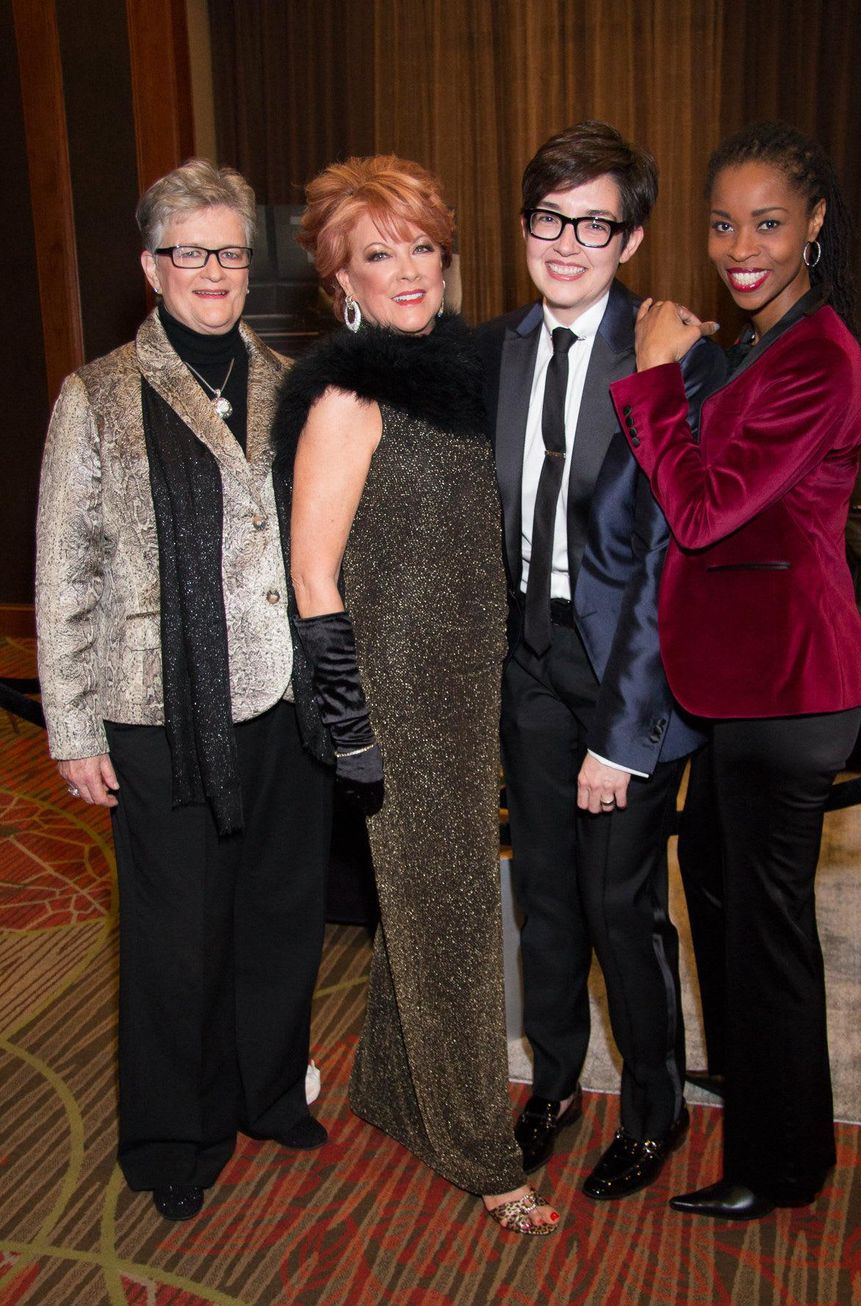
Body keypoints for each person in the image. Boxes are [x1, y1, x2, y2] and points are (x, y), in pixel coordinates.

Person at [34, 160, 334, 1224]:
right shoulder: (99, 394)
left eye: (232, 251)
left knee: (279, 913)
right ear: (154, 266)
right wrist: (72, 727)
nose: (214, 271)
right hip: (159, 713)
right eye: (191, 251)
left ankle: (265, 1092)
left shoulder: (289, 380)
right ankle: (174, 1133)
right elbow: (65, 569)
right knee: (174, 938)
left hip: (284, 704)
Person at [608, 121, 861, 1219]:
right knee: (722, 891)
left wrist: (651, 382)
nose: (740, 246)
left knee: (766, 933)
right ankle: (754, 1086)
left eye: (767, 223)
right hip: (741, 682)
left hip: (790, 687)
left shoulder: (816, 355)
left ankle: (779, 1164)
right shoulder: (771, 341)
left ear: (813, 224)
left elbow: (702, 508)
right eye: (722, 224)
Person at [273, 155, 560, 1236]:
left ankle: (395, 1091)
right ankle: (483, 1153)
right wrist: (351, 729)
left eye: (421, 247)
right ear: (339, 277)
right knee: (452, 924)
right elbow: (311, 576)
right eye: (376, 253)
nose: (406, 271)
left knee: (425, 909)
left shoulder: (465, 371)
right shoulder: (347, 394)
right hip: (396, 699)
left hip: (468, 682)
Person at [475, 121, 724, 1201]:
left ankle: (657, 1109)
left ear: (630, 239)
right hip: (527, 659)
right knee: (542, 895)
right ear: (523, 224)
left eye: (594, 222)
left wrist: (625, 736)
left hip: (628, 668)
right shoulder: (498, 349)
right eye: (548, 217)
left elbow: (681, 558)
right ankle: (555, 1085)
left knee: (620, 903)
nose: (566, 242)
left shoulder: (674, 356)